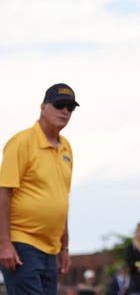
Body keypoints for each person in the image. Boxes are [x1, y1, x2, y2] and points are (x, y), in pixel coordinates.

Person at [0, 83, 79, 294]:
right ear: (43, 107)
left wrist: (64, 248)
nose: (65, 111)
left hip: (50, 248)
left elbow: (61, 200)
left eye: (70, 108)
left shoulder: (66, 148)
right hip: (22, 242)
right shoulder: (22, 142)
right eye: (59, 105)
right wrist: (4, 243)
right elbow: (3, 193)